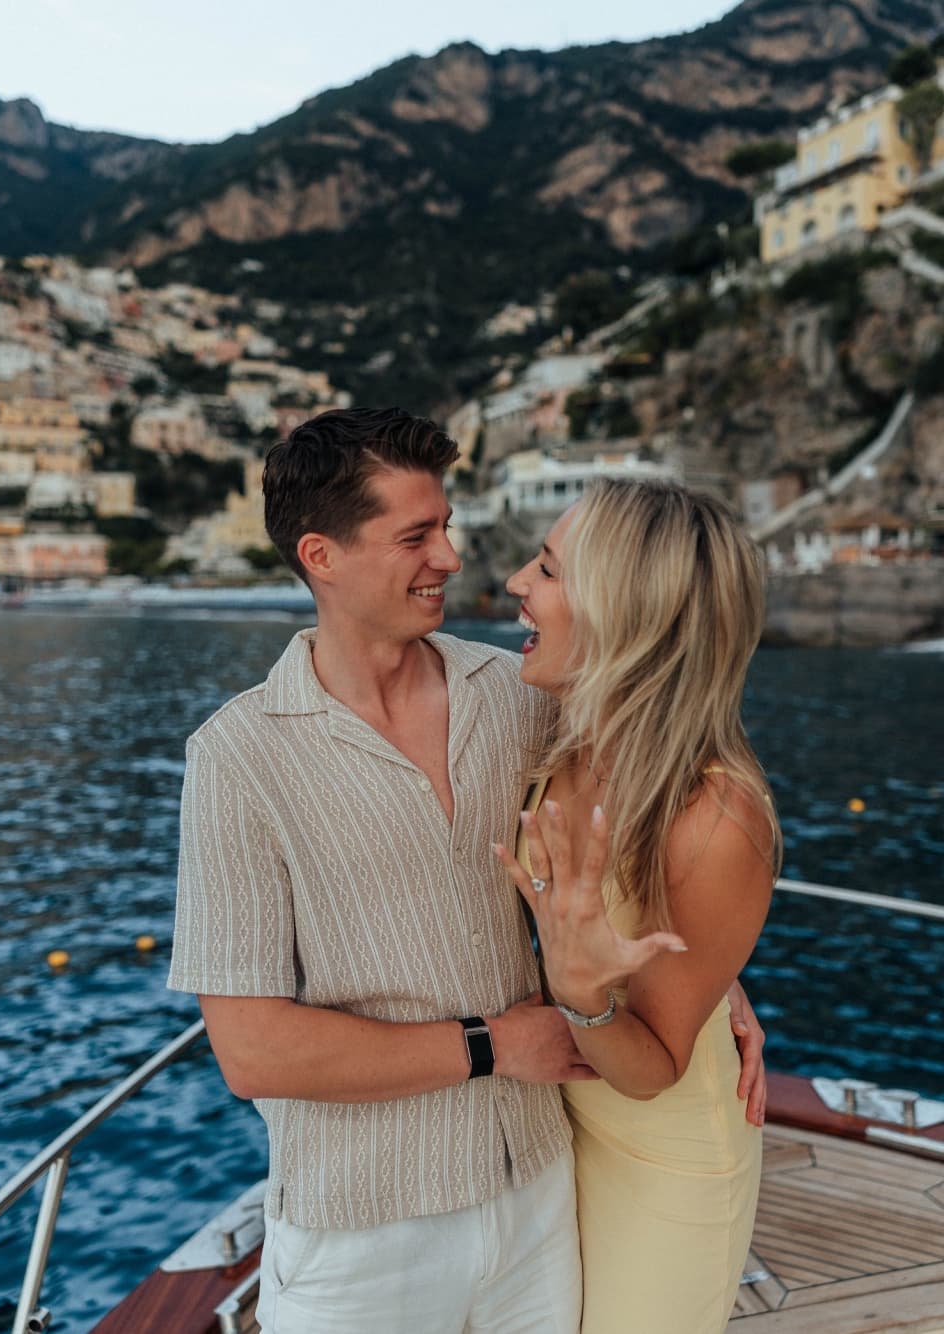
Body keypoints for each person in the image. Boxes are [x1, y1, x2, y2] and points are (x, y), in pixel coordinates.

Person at [167, 408, 765, 1334]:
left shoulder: (521, 696)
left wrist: (714, 980)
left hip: (539, 1182)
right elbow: (251, 1052)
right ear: (322, 556)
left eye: (445, 526)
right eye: (416, 535)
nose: (451, 556)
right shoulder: (237, 758)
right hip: (361, 1227)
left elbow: (659, 812)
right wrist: (493, 1043)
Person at [494, 478, 780, 1334]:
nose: (514, 582)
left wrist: (582, 991)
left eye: (546, 568)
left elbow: (653, 1068)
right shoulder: (548, 730)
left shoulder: (717, 818)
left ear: (625, 614)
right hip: (553, 1132)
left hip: (666, 1162)